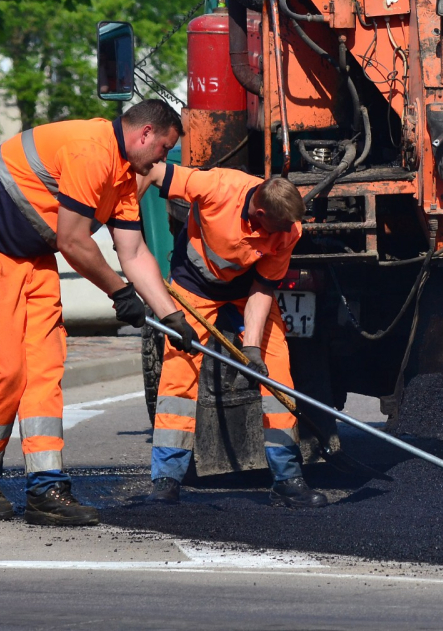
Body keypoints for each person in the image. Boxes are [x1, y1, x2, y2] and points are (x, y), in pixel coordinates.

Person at [0, 100, 196, 526]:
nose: (161, 159)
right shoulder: (92, 150)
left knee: (45, 372)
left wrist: (170, 316)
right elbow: (72, 239)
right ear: (145, 135)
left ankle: (47, 489)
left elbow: (134, 251)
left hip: (33, 257)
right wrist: (119, 293)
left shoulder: (124, 176)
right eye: (162, 149)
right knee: (6, 371)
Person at [140, 161, 326, 508]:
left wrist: (252, 348)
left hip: (247, 293)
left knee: (277, 376)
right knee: (178, 378)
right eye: (279, 226)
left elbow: (263, 287)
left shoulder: (289, 230)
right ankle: (166, 480)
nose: (287, 232)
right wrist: (125, 229)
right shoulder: (217, 187)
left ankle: (287, 479)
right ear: (258, 212)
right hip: (194, 288)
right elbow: (151, 172)